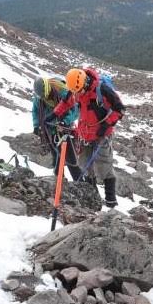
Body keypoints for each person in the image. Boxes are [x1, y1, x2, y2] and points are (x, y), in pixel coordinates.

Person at [53, 67, 125, 207]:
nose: (77, 94)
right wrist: (55, 114)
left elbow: (120, 109)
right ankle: (93, 197)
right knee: (85, 165)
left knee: (103, 166)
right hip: (85, 134)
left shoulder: (102, 90)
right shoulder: (76, 88)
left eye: (79, 91)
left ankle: (111, 201)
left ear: (85, 83)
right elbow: (67, 101)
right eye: (75, 91)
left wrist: (106, 125)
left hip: (102, 135)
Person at [32, 76, 81, 180]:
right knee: (56, 155)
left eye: (46, 96)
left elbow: (75, 111)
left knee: (70, 158)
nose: (44, 99)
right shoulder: (39, 96)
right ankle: (59, 180)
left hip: (65, 128)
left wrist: (65, 121)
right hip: (50, 129)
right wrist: (36, 125)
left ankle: (79, 182)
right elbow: (35, 110)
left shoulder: (62, 91)